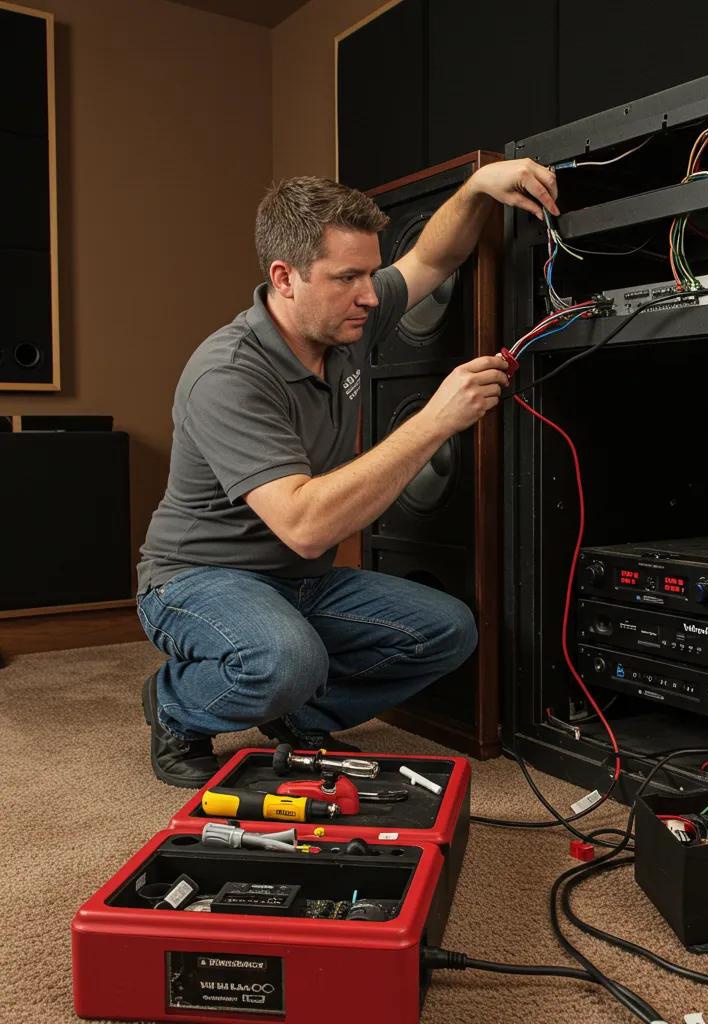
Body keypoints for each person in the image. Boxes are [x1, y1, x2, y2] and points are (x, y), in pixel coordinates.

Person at [137, 160, 559, 786]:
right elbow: (305, 526)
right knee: (284, 658)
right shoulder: (227, 374)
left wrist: (475, 190)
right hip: (197, 580)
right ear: (285, 278)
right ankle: (175, 706)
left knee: (448, 630)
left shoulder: (344, 323)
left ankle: (298, 712)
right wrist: (436, 419)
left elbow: (430, 262)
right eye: (347, 277)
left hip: (299, 582)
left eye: (369, 272)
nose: (369, 292)